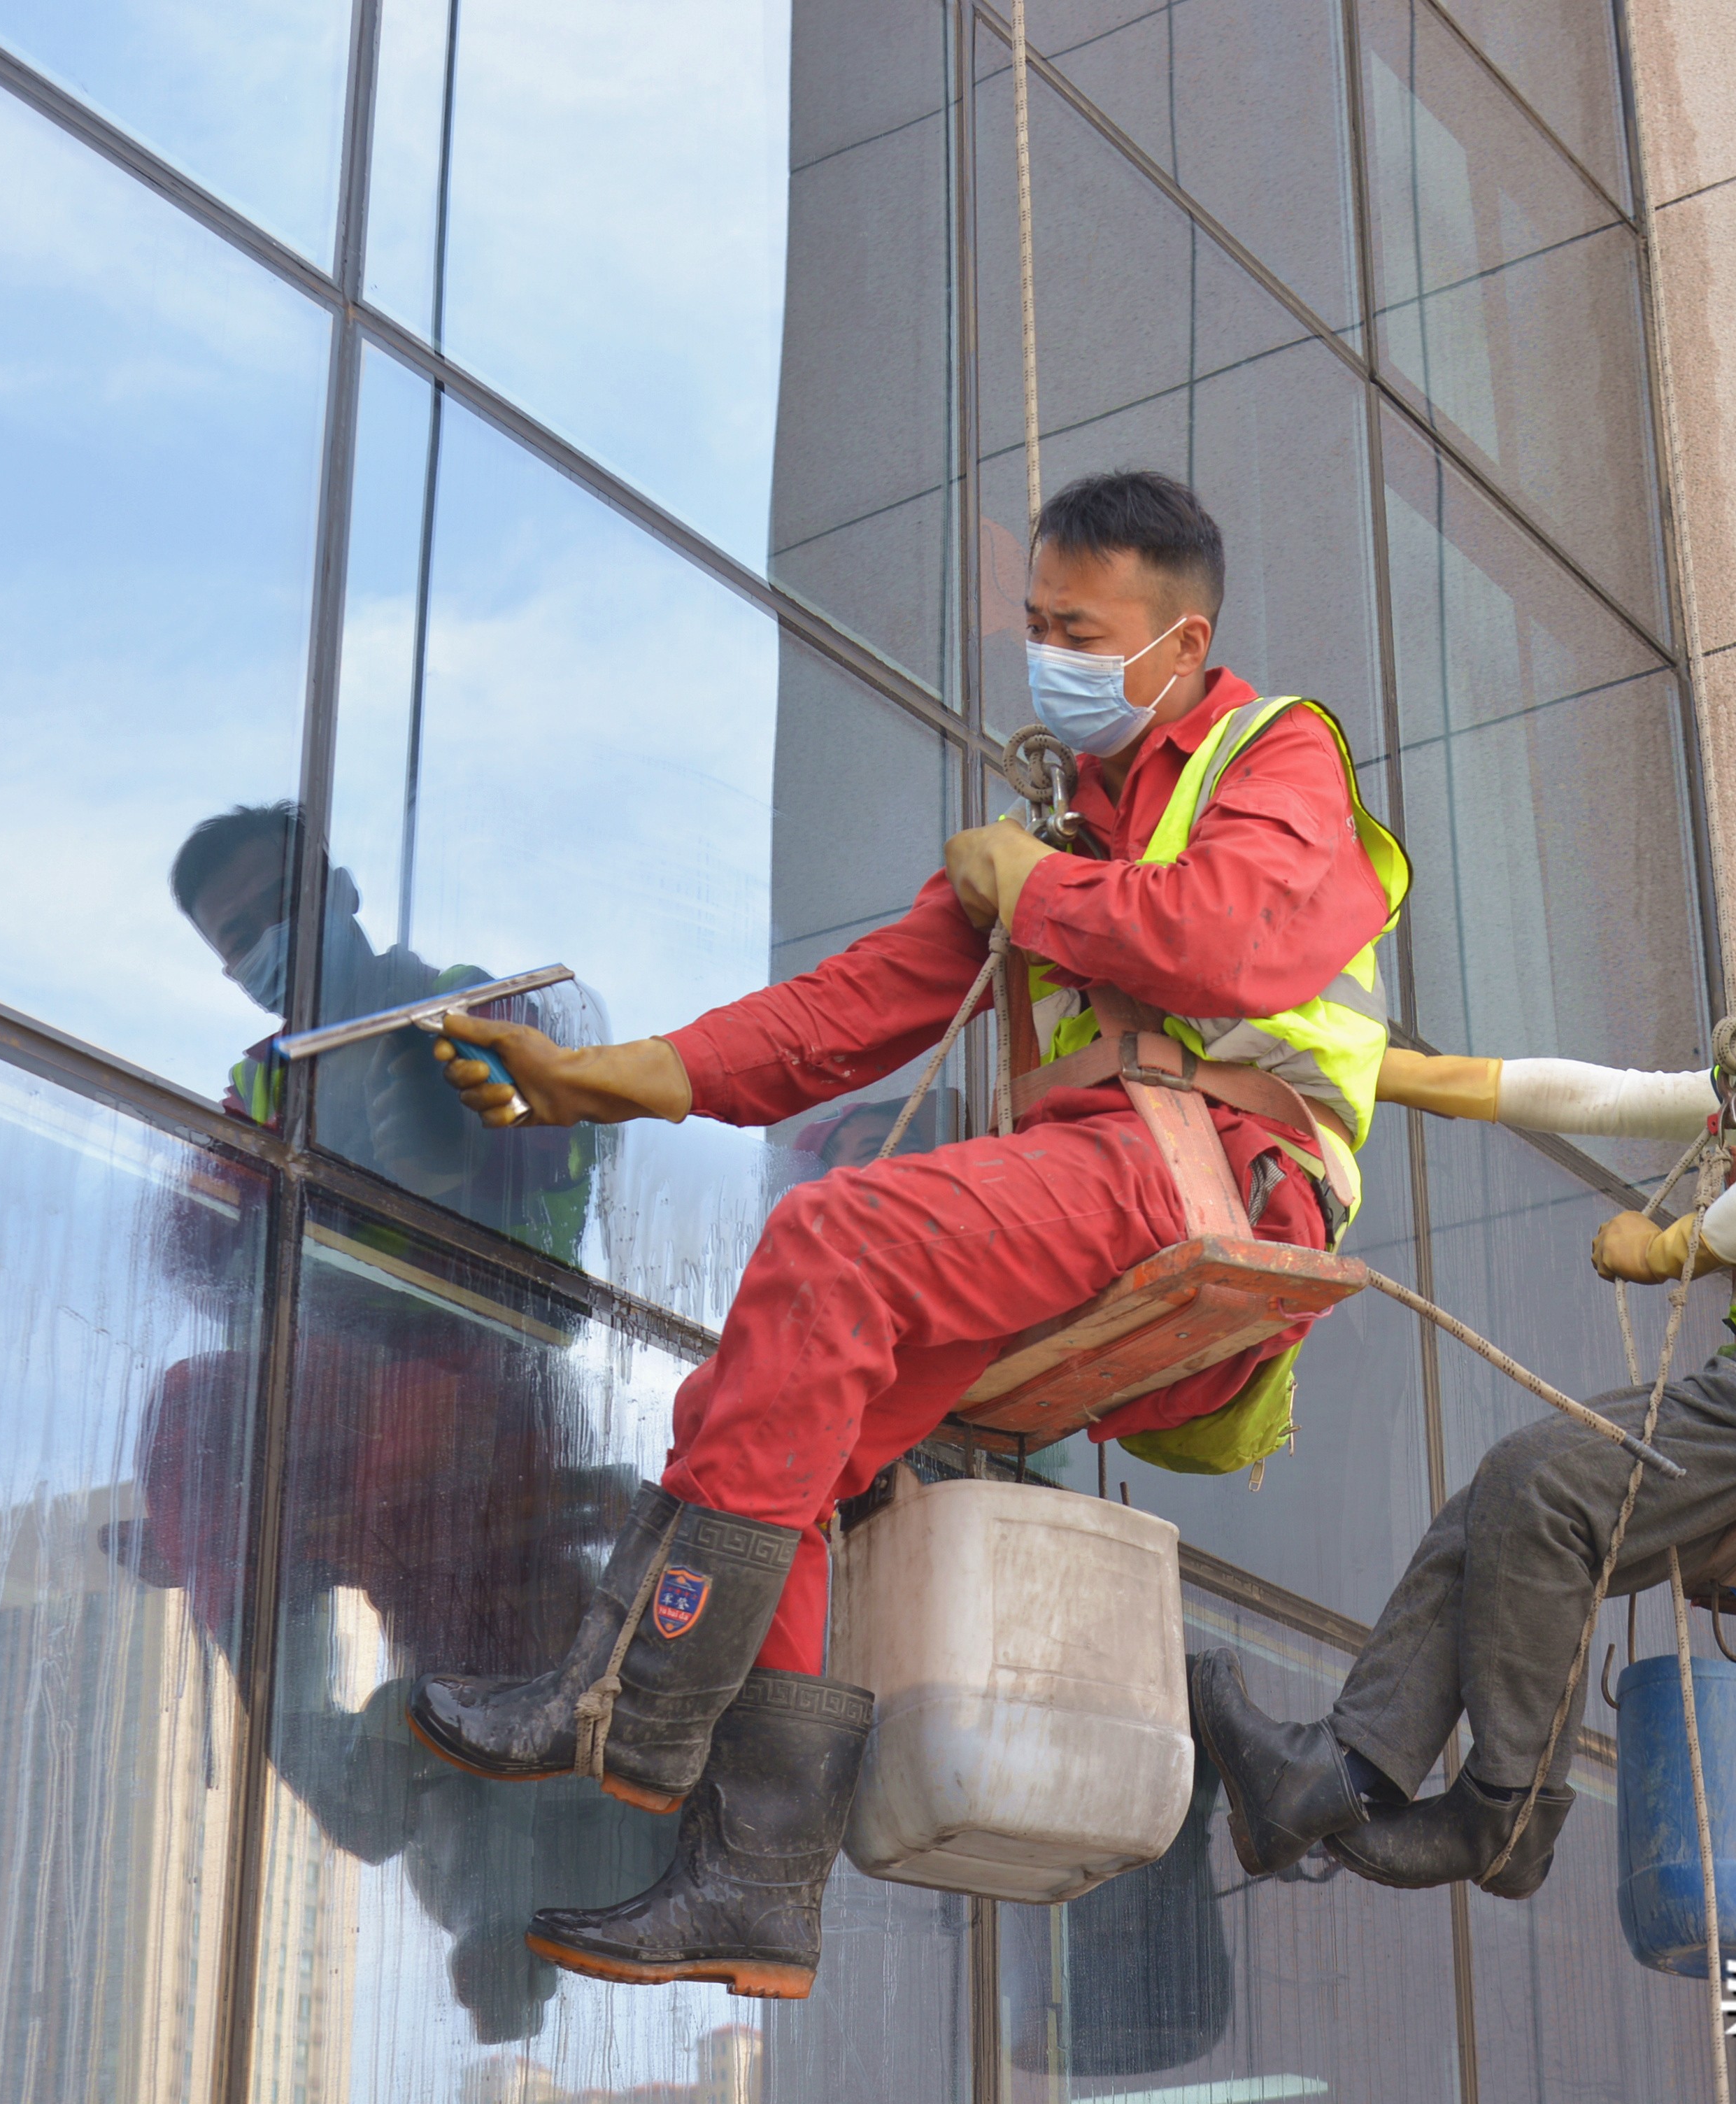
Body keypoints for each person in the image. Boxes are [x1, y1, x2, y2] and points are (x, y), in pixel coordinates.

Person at [401, 470, 1409, 1998]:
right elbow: (841, 1017)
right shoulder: (1055, 827)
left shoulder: (1279, 757)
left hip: (1218, 1164)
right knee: (783, 1438)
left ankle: (627, 1695)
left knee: (835, 1238)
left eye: (1082, 629)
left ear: (1182, 640)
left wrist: (1041, 886)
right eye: (1036, 625)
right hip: (1095, 1175)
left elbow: (1230, 936)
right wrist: (598, 1081)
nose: (1049, 656)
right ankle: (757, 1883)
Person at [1188, 801, 1736, 1898]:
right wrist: (1369, 1072)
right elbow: (1598, 1094)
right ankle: (1334, 1776)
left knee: (1543, 1487)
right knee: (1496, 1509)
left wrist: (1674, 1242)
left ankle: (1508, 1817)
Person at [169, 802, 604, 1258]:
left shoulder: (467, 1004)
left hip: (477, 1315)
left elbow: (567, 1148)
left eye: (288, 904)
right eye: (242, 939)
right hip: (320, 1327)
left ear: (343, 892)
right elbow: (195, 1252)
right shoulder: (256, 1089)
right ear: (232, 970)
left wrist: (467, 1150)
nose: (275, 935)